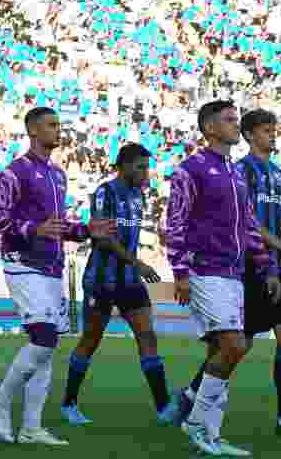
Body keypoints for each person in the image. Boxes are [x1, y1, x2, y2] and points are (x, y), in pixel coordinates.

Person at [172, 109, 281, 439]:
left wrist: (279, 256)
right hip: (247, 266)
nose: (273, 135)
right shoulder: (240, 171)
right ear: (252, 135)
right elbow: (247, 224)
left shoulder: (279, 175)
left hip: (273, 264)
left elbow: (270, 221)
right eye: (267, 130)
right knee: (236, 344)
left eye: (274, 129)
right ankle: (191, 399)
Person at [0, 107, 113, 446]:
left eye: (59, 125)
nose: (59, 131)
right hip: (23, 262)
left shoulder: (57, 175)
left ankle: (31, 426)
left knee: (46, 347)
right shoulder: (16, 172)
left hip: (52, 266)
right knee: (43, 338)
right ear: (32, 131)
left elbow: (57, 227)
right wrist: (32, 229)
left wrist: (87, 230)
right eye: (52, 126)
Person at [166, 100, 281, 457]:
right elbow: (175, 222)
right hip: (205, 270)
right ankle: (196, 422)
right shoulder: (191, 170)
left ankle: (211, 437)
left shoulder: (235, 173)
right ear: (210, 128)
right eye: (230, 120)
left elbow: (247, 227)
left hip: (233, 273)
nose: (236, 125)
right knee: (235, 345)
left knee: (222, 351)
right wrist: (180, 273)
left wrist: (266, 266)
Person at [59, 143, 179, 425]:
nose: (145, 173)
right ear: (124, 166)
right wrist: (137, 262)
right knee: (91, 340)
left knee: (147, 336)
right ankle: (69, 403)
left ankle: (164, 408)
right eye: (140, 167)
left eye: (147, 167)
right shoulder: (105, 192)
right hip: (102, 279)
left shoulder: (139, 195)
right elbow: (101, 237)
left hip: (129, 281)